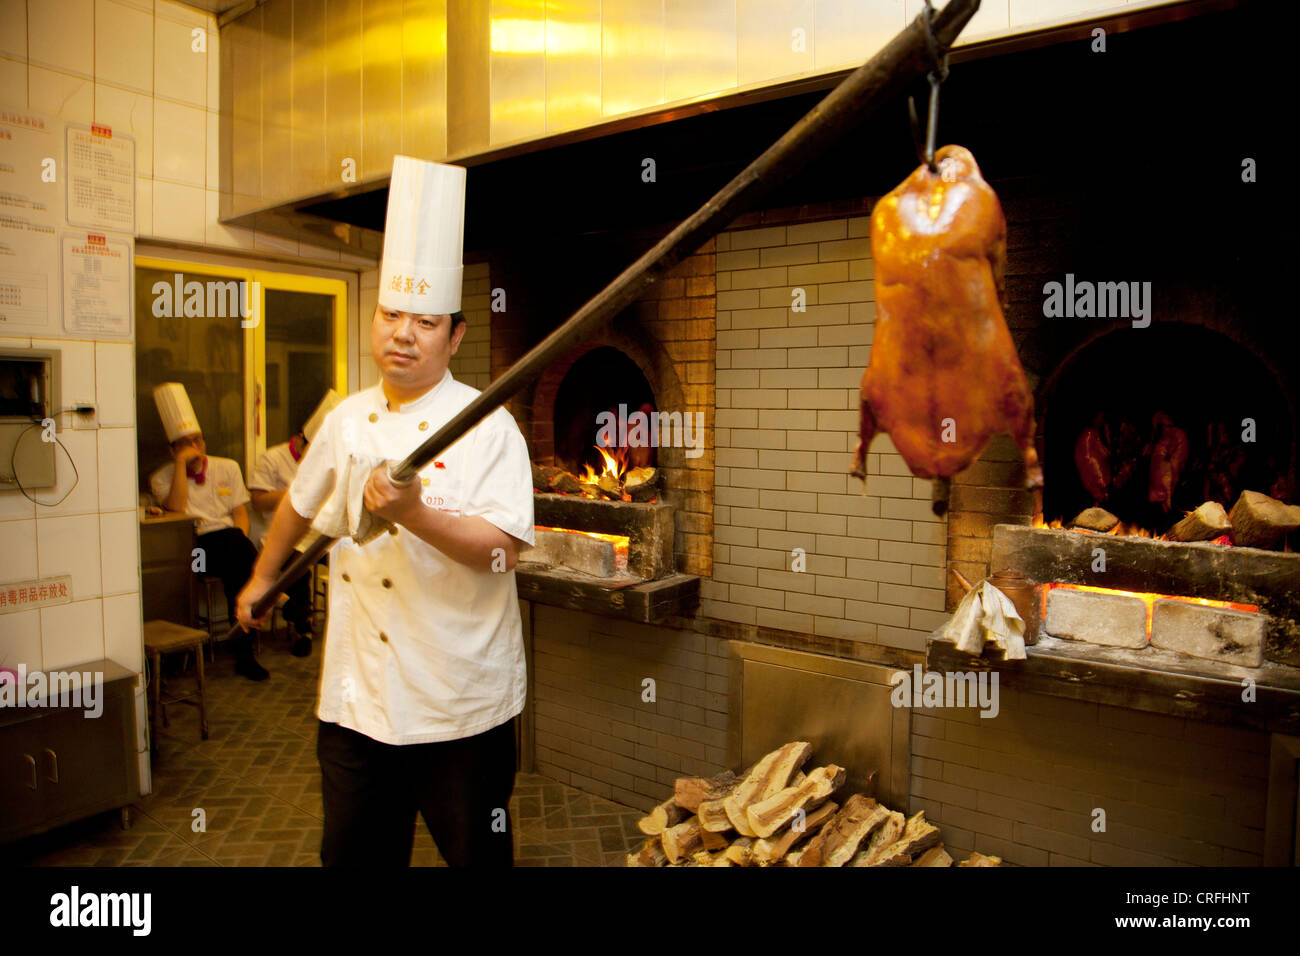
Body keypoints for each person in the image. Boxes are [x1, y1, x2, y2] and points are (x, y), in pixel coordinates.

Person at [237, 157, 534, 867]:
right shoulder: (347, 418)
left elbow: (503, 552)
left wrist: (414, 513)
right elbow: (298, 507)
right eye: (390, 314)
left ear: (454, 337)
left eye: (424, 322)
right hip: (357, 701)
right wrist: (261, 577)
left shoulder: (487, 424)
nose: (402, 333)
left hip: (457, 702)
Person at [150, 383, 268, 682]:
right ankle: (268, 588)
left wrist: (239, 540)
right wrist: (180, 464)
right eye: (186, 444)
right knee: (237, 552)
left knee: (236, 549)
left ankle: (243, 649)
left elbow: (241, 515)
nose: (196, 449)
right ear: (173, 449)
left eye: (198, 441)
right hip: (195, 554)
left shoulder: (226, 467)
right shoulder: (162, 478)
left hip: (230, 548)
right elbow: (177, 508)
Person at [247, 391, 341, 657]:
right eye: (312, 448)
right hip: (283, 535)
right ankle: (302, 629)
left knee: (350, 557)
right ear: (300, 438)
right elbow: (258, 500)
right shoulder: (272, 459)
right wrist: (300, 493)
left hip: (322, 533)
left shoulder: (332, 461)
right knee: (298, 567)